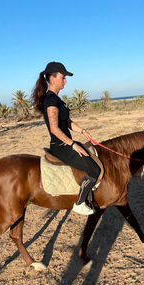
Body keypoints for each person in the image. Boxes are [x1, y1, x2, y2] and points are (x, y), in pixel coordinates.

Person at [32, 62, 101, 215]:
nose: (65, 81)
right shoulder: (51, 100)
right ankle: (80, 203)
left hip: (66, 144)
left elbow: (67, 122)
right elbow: (54, 128)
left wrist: (82, 131)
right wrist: (73, 145)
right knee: (94, 169)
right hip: (61, 146)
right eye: (63, 77)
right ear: (52, 78)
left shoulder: (56, 99)